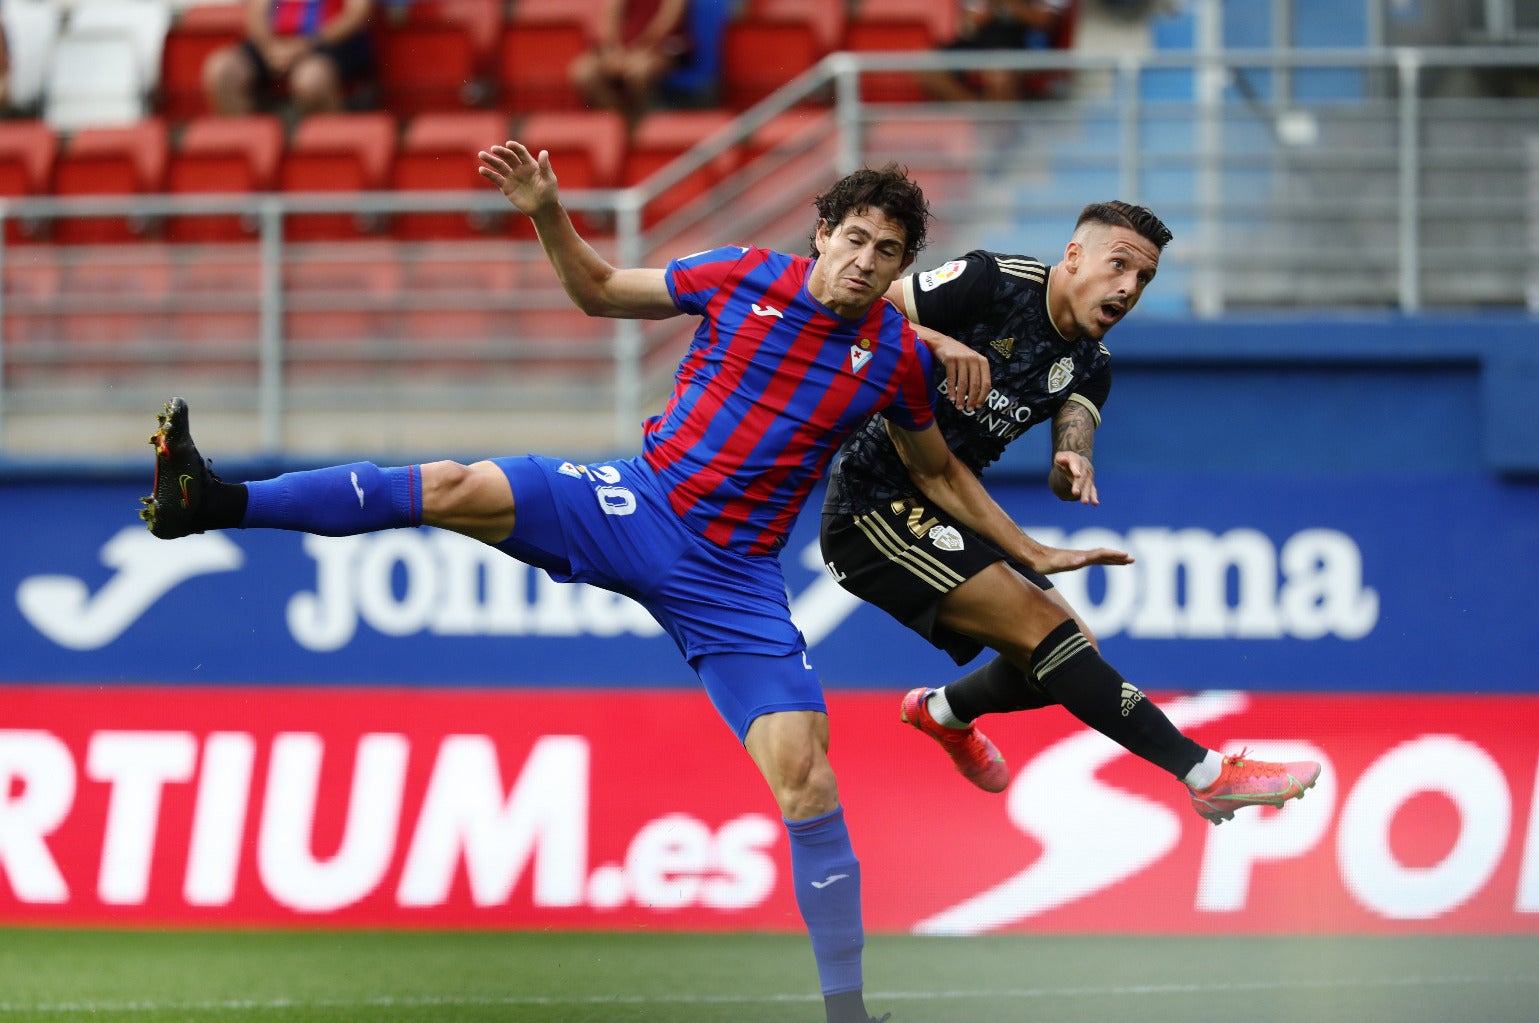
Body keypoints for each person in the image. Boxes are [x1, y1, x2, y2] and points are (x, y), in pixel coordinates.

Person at [139, 142, 1129, 1023]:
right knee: (447, 485)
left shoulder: (896, 359)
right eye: (854, 239)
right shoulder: (743, 276)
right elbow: (602, 292)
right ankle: (210, 502)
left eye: (886, 254)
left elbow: (936, 472)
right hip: (631, 503)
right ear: (821, 233)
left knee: (807, 780)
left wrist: (1025, 552)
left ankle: (846, 1013)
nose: (864, 262)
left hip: (733, 581)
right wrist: (544, 213)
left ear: (902, 268)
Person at [819, 201, 1323, 823]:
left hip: (952, 503)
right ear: (1074, 256)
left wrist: (1071, 462)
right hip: (873, 502)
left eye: (1143, 280)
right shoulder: (992, 281)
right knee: (1049, 636)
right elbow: (856, 310)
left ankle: (944, 712)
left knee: (1072, 653)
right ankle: (1208, 773)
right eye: (1119, 267)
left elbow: (1073, 435)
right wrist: (944, 343)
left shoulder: (1091, 363)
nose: (1129, 288)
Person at [203, 0, 375, 117]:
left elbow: (357, 14)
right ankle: (247, 154)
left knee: (311, 81)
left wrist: (305, 45)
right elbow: (256, 12)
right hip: (275, 44)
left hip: (329, 44)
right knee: (222, 72)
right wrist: (270, 46)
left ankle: (333, 155)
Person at [919, 0, 1073, 103]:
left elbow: (1044, 22)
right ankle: (981, 115)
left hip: (1027, 45)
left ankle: (1003, 139)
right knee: (927, 65)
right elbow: (970, 23)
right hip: (982, 42)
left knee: (999, 75)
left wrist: (1009, 3)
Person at [569, 0, 692, 128]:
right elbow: (611, 15)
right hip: (625, 51)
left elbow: (668, 20)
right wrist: (613, 51)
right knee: (584, 72)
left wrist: (638, 50)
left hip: (660, 48)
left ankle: (634, 126)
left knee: (638, 72)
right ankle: (618, 123)